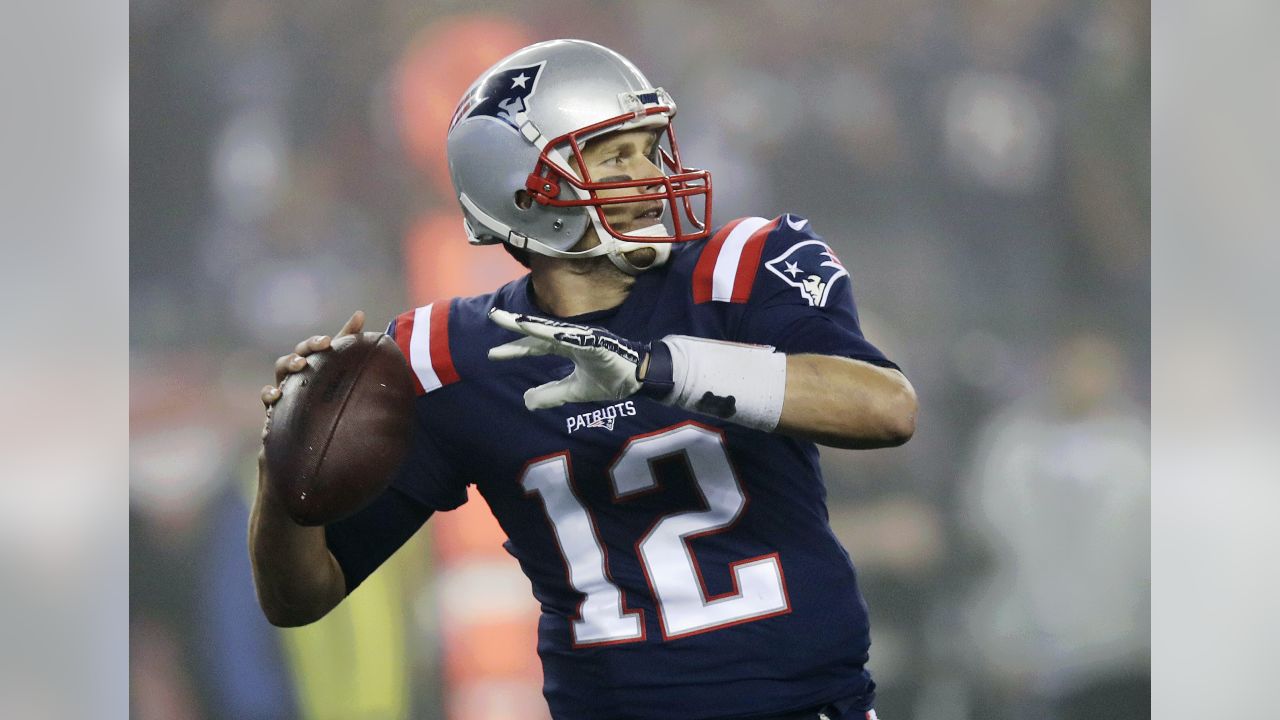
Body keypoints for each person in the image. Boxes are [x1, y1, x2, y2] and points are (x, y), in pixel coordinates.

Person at [251, 39, 917, 720]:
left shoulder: (741, 268)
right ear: (525, 191)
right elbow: (300, 597)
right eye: (614, 155)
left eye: (648, 146)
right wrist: (283, 477)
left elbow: (884, 407)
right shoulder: (450, 355)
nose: (650, 171)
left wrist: (655, 369)